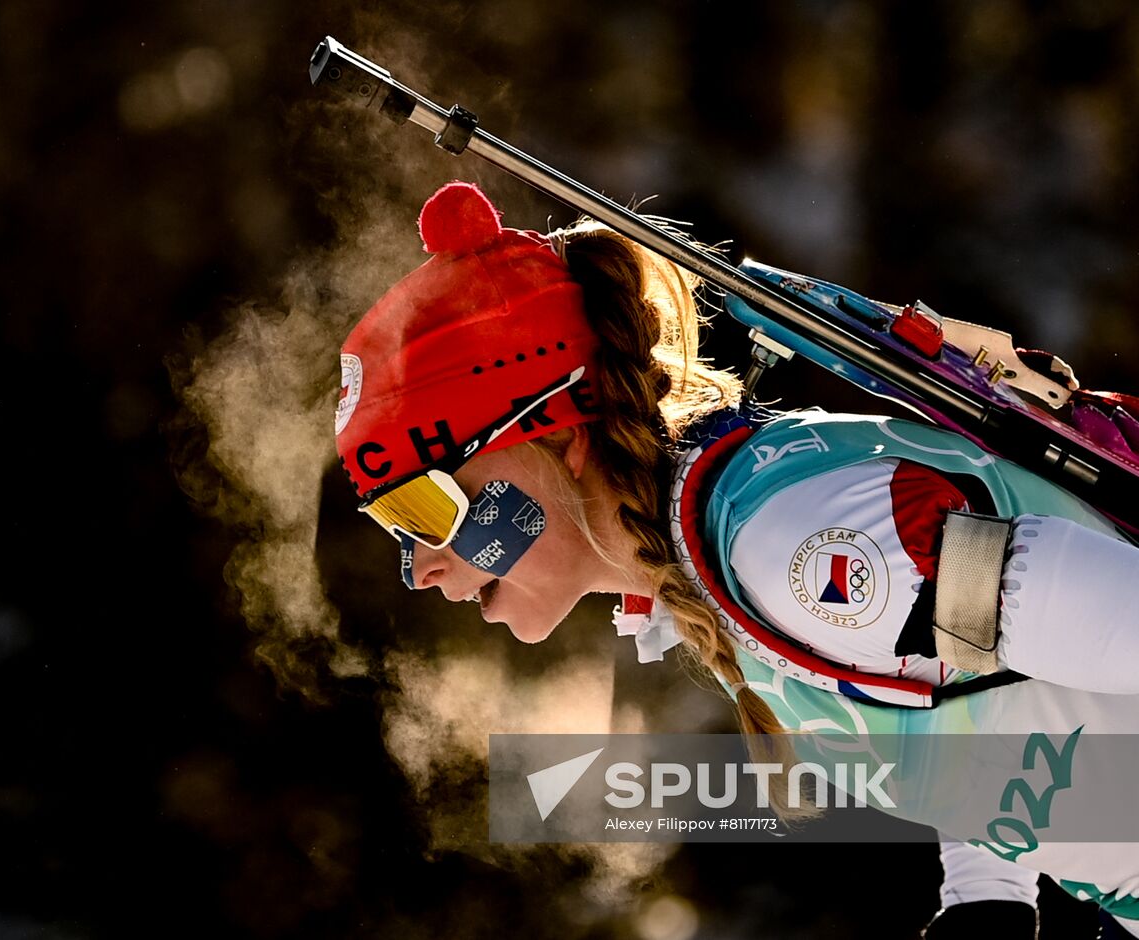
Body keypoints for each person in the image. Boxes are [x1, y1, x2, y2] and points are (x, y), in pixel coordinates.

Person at [332, 181, 1139, 938]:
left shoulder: (788, 544)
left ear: (558, 438)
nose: (421, 566)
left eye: (429, 506)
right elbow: (968, 690)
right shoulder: (710, 571)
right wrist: (982, 896)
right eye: (395, 522)